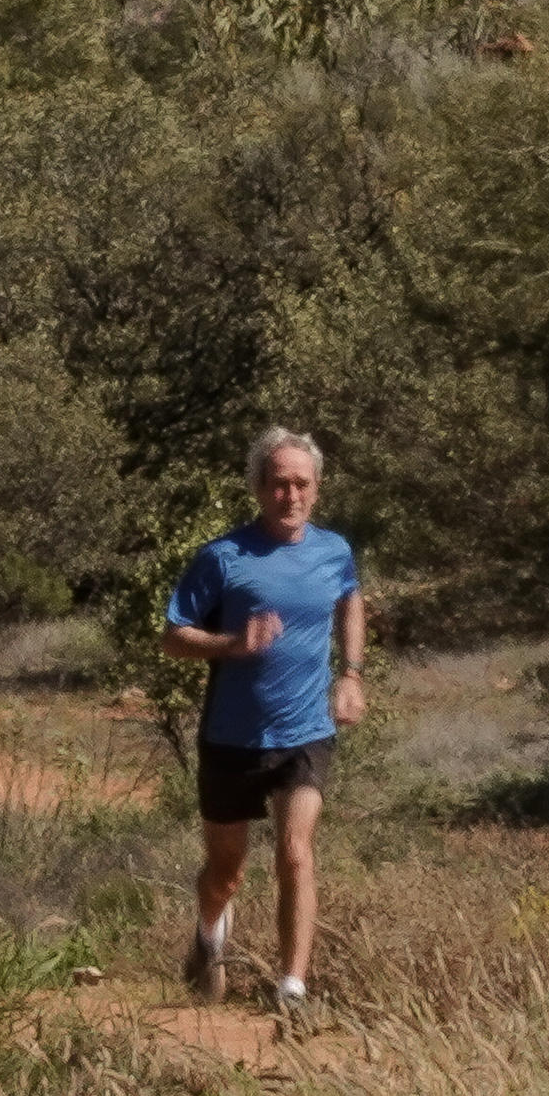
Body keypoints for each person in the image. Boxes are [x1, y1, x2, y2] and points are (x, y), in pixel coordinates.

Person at [160, 427, 364, 1017]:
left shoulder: (334, 551)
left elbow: (351, 598)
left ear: (317, 489)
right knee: (226, 872)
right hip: (232, 737)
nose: (290, 495)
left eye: (301, 483)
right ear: (258, 488)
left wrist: (350, 673)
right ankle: (207, 937)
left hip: (305, 732)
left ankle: (292, 988)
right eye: (278, 484)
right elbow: (174, 638)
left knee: (296, 852)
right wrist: (230, 642)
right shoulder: (223, 557)